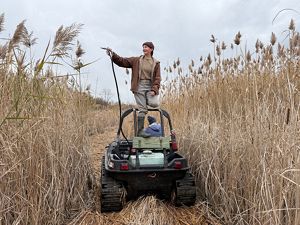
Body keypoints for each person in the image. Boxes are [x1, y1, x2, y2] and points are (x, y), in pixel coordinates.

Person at [106, 42, 161, 137]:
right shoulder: (136, 60)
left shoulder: (156, 63)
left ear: (151, 49)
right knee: (143, 110)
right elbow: (122, 61)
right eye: (143, 47)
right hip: (139, 87)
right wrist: (113, 54)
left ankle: (144, 103)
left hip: (150, 86)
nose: (144, 48)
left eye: (146, 47)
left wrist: (154, 89)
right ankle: (140, 131)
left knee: (155, 104)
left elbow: (157, 78)